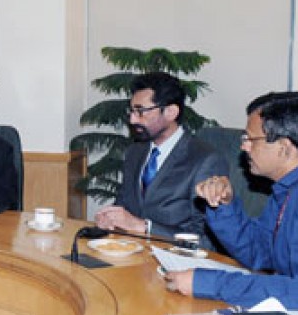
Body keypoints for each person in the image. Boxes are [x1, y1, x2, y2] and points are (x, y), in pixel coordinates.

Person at [166, 91, 298, 315]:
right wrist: (224, 206)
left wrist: (211, 284)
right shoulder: (294, 185)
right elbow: (260, 252)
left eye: (251, 139)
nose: (244, 146)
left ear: (284, 147)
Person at [94, 72, 228, 250]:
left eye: (141, 112)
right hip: (131, 253)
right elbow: (124, 206)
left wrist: (145, 227)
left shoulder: (205, 159)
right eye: (132, 111)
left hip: (177, 260)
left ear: (171, 112)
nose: (132, 119)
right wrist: (110, 219)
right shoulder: (135, 152)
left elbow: (207, 239)